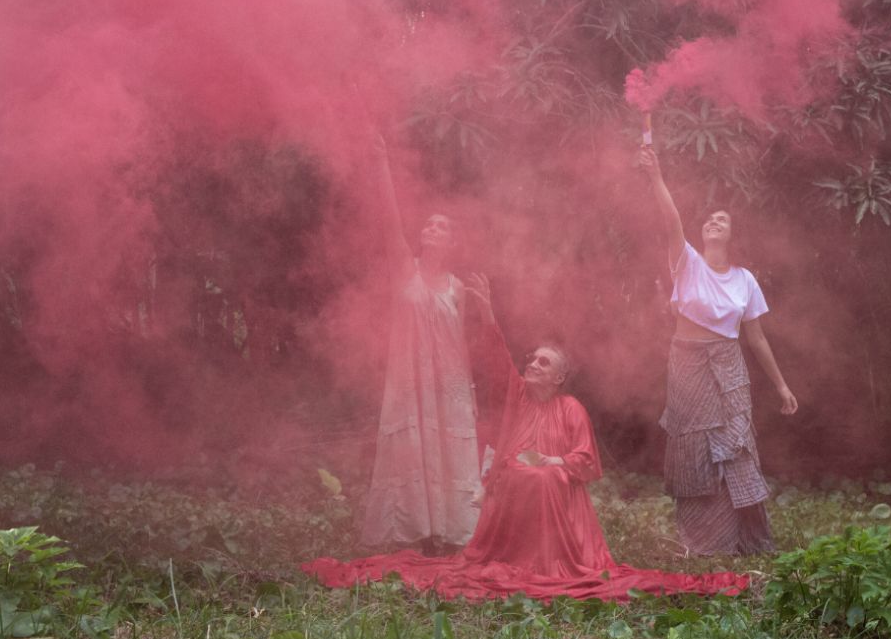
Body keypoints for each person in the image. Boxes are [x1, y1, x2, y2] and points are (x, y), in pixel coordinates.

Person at [303, 275, 749, 601]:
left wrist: (555, 463)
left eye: (542, 364)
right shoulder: (519, 397)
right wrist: (489, 313)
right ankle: (515, 556)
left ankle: (548, 562)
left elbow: (587, 463)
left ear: (558, 379)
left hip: (559, 503)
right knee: (517, 473)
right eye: (531, 360)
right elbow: (498, 358)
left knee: (543, 478)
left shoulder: (570, 408)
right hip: (516, 496)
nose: (531, 366)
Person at [637, 143, 798, 556]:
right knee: (696, 453)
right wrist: (656, 177)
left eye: (722, 220)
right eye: (709, 219)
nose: (713, 222)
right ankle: (705, 544)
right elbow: (671, 220)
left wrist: (781, 387)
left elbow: (757, 338)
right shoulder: (686, 261)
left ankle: (748, 540)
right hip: (687, 363)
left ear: (732, 234)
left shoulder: (745, 279)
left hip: (729, 368)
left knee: (737, 448)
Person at [358, 135, 481, 554]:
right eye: (428, 223)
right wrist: (382, 166)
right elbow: (389, 221)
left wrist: (469, 390)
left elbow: (460, 342)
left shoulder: (457, 288)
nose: (430, 229)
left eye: (441, 226)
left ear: (452, 242)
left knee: (447, 449)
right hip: (409, 376)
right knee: (411, 448)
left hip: (448, 382)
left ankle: (447, 532)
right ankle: (410, 531)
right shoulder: (404, 270)